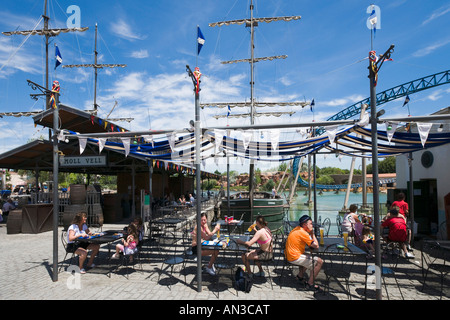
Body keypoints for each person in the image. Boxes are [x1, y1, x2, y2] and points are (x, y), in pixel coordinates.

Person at [285, 215, 324, 291]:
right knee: (319, 262)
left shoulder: (297, 229)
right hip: (293, 256)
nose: (312, 225)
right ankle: (310, 284)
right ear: (304, 225)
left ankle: (300, 277)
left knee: (308, 256)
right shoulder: (304, 233)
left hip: (289, 254)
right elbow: (316, 246)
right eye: (310, 224)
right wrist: (312, 234)